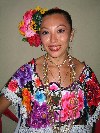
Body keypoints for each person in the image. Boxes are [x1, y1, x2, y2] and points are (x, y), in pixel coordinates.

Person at [0, 7, 100, 133]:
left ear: (71, 34)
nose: (53, 40)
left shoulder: (86, 75)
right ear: (40, 37)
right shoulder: (27, 73)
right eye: (46, 32)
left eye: (60, 31)